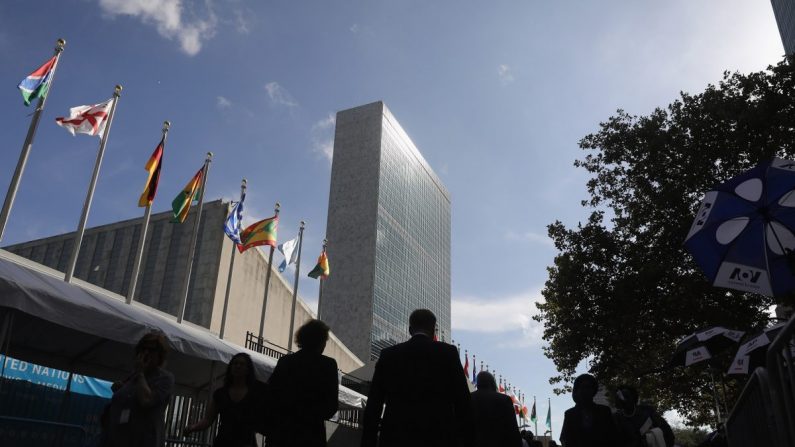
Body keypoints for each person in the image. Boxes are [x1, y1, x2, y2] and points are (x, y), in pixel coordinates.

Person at [361, 309, 473, 447]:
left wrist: (368, 441)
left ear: (410, 330)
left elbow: (374, 403)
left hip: (396, 437)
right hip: (439, 437)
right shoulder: (448, 353)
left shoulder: (389, 355)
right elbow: (463, 402)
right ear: (434, 331)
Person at [268, 319, 339, 447]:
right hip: (312, 434)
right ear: (321, 342)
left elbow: (271, 394)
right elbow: (332, 405)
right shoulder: (328, 365)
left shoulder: (285, 361)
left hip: (283, 432)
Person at [102, 331, 175, 447]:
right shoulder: (132, 377)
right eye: (143, 348)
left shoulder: (165, 378)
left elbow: (147, 400)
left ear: (160, 355)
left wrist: (140, 373)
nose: (146, 352)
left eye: (151, 350)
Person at [183, 353, 268, 446]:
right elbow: (208, 420)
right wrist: (192, 428)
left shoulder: (256, 392)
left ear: (248, 369)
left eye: (242, 364)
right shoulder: (220, 394)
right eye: (235, 363)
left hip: (246, 442)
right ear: (230, 367)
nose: (238, 366)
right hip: (223, 442)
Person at [559, 374, 618, 447]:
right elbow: (564, 438)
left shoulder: (604, 411)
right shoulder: (570, 414)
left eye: (588, 387)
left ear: (593, 390)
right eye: (582, 387)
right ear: (577, 390)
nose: (585, 391)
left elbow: (613, 436)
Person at [471, 371, 522, 447]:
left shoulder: (467, 398)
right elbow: (512, 431)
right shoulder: (504, 399)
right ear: (492, 383)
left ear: (478, 383)